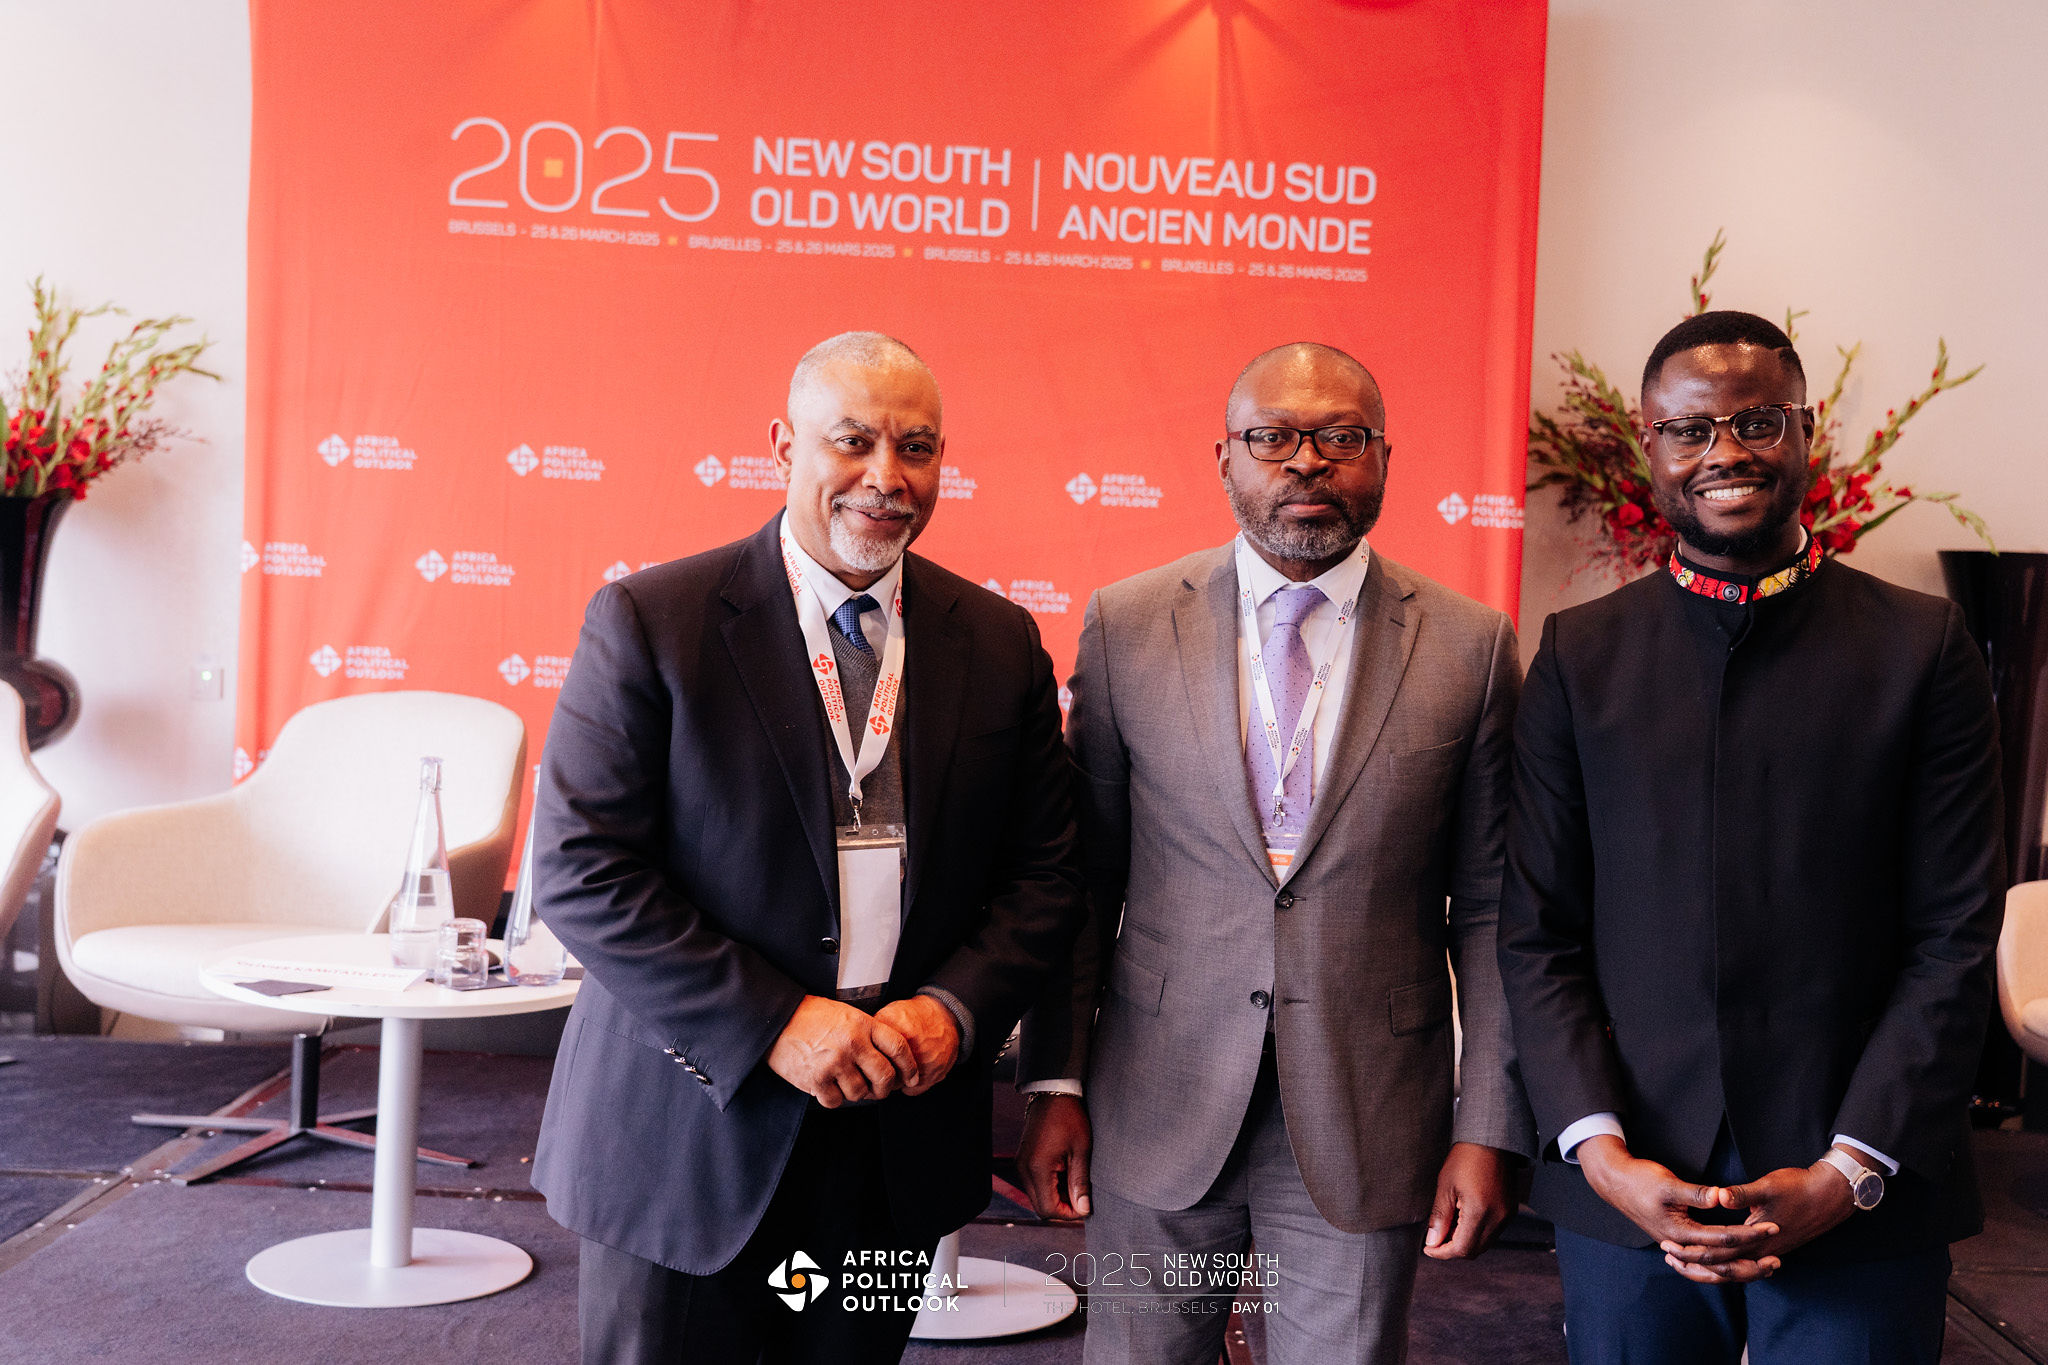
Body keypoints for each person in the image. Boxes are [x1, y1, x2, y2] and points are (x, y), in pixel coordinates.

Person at [530, 332, 1086, 1364]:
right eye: (853, 440)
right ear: (784, 446)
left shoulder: (996, 640)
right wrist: (772, 1022)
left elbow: (1046, 874)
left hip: (895, 1132)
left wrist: (954, 1009)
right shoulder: (655, 620)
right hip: (692, 1133)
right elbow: (581, 868)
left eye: (916, 448)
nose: (886, 477)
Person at [1497, 310, 2006, 1363]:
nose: (1722, 451)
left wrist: (1848, 1170)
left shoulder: (1921, 648)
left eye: (1755, 421)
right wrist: (1601, 1155)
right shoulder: (1580, 657)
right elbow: (1538, 935)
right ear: (1651, 448)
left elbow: (1953, 936)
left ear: (1806, 431)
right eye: (1689, 430)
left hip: (1858, 1181)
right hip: (1631, 1186)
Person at [1016, 342, 1536, 1364]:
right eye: (1272, 437)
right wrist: (1055, 1083)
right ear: (1225, 458)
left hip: (1365, 1113)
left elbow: (1488, 908)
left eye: (1340, 436)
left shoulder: (1470, 645)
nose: (1306, 460)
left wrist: (1488, 1124)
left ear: (1382, 458)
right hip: (1156, 1103)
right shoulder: (1127, 624)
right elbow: (1083, 883)